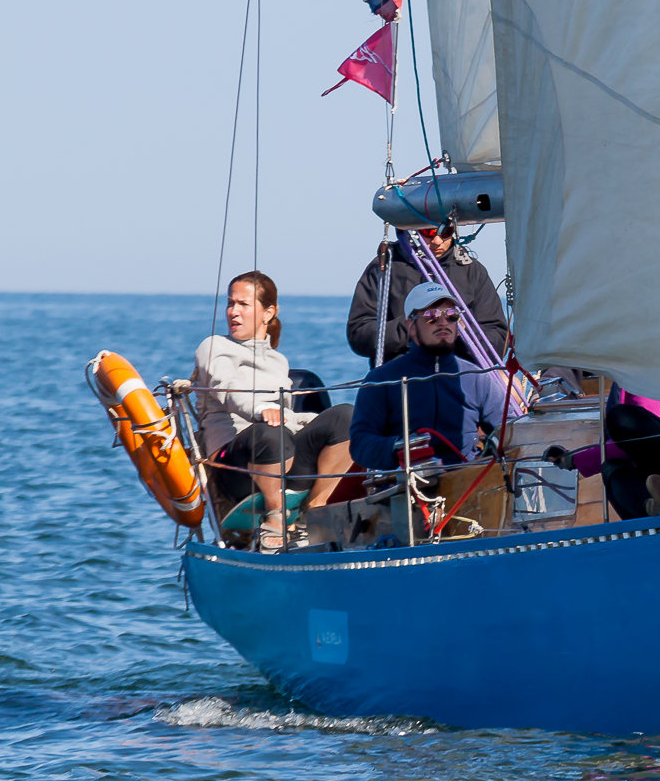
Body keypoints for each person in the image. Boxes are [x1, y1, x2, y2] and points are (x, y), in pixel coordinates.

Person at [187, 271, 355, 550]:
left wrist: (310, 421)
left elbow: (285, 416)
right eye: (231, 303)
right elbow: (226, 387)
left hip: (281, 455)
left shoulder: (278, 361)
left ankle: (315, 509)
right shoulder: (213, 347)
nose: (233, 312)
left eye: (243, 304)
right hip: (234, 467)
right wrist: (260, 409)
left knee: (346, 417)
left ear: (268, 313)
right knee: (268, 432)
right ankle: (275, 517)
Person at [349, 282, 516, 474]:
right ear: (411, 326)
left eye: (451, 315)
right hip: (406, 482)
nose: (443, 322)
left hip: (466, 479)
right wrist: (398, 447)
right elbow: (360, 444)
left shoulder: (476, 377)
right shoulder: (381, 379)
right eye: (431, 316)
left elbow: (509, 429)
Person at [346, 220, 508, 363]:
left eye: (446, 232)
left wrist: (462, 331)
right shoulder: (385, 268)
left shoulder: (472, 271)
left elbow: (499, 341)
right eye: (429, 232)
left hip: (459, 376)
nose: (438, 241)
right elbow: (359, 335)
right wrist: (414, 327)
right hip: (401, 376)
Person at [552, 390, 660, 519]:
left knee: (622, 418)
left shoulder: (645, 374)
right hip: (657, 470)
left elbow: (637, 438)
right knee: (611, 468)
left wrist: (574, 460)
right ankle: (655, 512)